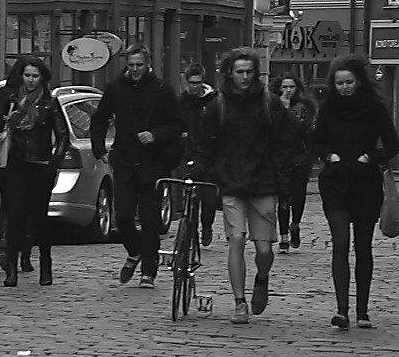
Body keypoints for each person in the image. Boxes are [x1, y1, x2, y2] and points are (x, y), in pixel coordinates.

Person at [187, 51, 296, 322]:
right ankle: (239, 301)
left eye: (249, 71)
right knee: (236, 239)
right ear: (230, 74)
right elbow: (207, 144)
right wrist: (198, 170)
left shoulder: (269, 103)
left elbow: (284, 145)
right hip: (232, 181)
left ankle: (262, 277)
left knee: (264, 250)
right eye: (240, 72)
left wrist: (284, 184)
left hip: (263, 182)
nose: (245, 77)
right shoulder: (219, 106)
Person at [311, 56, 399, 331]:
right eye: (339, 83)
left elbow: (393, 143)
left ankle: (362, 311)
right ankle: (342, 310)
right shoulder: (329, 107)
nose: (345, 87)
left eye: (349, 82)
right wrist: (328, 155)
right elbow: (316, 140)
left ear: (358, 81)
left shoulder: (374, 108)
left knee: (363, 246)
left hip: (365, 184)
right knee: (340, 243)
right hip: (335, 183)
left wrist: (372, 157)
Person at [89, 44, 185, 288]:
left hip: (154, 162)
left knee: (150, 219)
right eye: (131, 65)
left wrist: (155, 135)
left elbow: (176, 124)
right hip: (125, 161)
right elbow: (99, 119)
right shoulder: (115, 88)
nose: (135, 69)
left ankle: (148, 272)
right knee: (122, 216)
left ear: (148, 64)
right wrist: (100, 150)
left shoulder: (162, 89)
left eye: (139, 65)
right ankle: (135, 251)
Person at [0, 56, 69, 287]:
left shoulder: (49, 103)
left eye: (35, 76)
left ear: (42, 78)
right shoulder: (12, 100)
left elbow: (63, 136)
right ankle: (11, 270)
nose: (31, 80)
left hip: (40, 165)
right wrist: (6, 119)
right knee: (15, 214)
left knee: (40, 218)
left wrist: (54, 162)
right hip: (16, 163)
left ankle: (45, 265)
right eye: (27, 75)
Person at [272, 75, 316, 250]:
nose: (288, 90)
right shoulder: (273, 106)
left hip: (300, 158)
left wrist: (288, 111)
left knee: (298, 196)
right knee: (283, 196)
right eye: (285, 87)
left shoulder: (304, 106)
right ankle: (283, 236)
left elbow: (302, 129)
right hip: (280, 158)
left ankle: (295, 224)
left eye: (291, 87)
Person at [177, 65, 219, 245]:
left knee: (209, 198)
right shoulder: (181, 102)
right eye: (191, 83)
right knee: (189, 196)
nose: (195, 86)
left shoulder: (213, 101)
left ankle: (207, 226)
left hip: (210, 154)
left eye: (198, 82)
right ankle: (191, 231)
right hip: (187, 153)